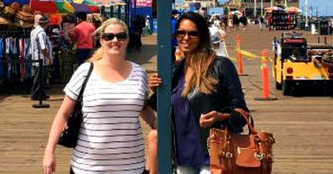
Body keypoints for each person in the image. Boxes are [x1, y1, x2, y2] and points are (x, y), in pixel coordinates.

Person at [43, 18, 156, 174]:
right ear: (101, 41)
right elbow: (63, 113)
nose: (115, 40)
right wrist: (49, 151)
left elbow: (143, 108)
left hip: (131, 166)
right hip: (88, 166)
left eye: (121, 36)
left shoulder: (140, 73)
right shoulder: (85, 71)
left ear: (127, 40)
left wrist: (159, 126)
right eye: (109, 36)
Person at [149, 12, 248, 174]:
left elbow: (241, 112)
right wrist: (157, 91)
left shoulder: (220, 66)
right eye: (181, 32)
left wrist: (220, 116)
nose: (185, 38)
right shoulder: (176, 69)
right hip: (182, 157)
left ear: (202, 36)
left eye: (192, 33)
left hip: (213, 157)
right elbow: (167, 110)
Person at [30, 14, 53, 100]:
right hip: (41, 58)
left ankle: (40, 93)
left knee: (39, 76)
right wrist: (48, 58)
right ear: (45, 24)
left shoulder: (34, 31)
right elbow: (43, 47)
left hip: (37, 57)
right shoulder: (41, 33)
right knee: (40, 77)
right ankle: (36, 94)